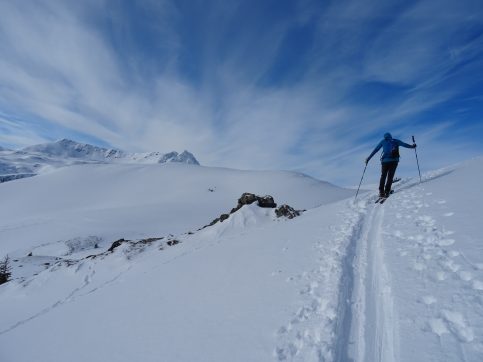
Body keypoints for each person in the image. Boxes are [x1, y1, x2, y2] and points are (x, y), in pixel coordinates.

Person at [365, 132, 416, 198]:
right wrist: (412, 146)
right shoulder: (396, 141)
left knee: (383, 176)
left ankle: (381, 192)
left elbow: (376, 150)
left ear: (385, 137)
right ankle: (387, 191)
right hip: (394, 161)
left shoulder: (383, 141)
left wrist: (368, 158)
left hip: (385, 161)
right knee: (390, 176)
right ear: (391, 136)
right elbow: (404, 144)